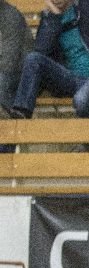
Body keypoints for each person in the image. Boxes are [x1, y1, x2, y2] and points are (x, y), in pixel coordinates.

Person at [4, 0, 89, 132]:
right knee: (33, 58)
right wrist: (54, 16)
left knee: (81, 99)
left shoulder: (86, 7)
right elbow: (41, 51)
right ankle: (22, 113)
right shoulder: (50, 17)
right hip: (70, 79)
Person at [0, 0, 31, 153]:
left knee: (1, 84)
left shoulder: (10, 16)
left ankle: (5, 147)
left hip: (20, 74)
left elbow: (9, 63)